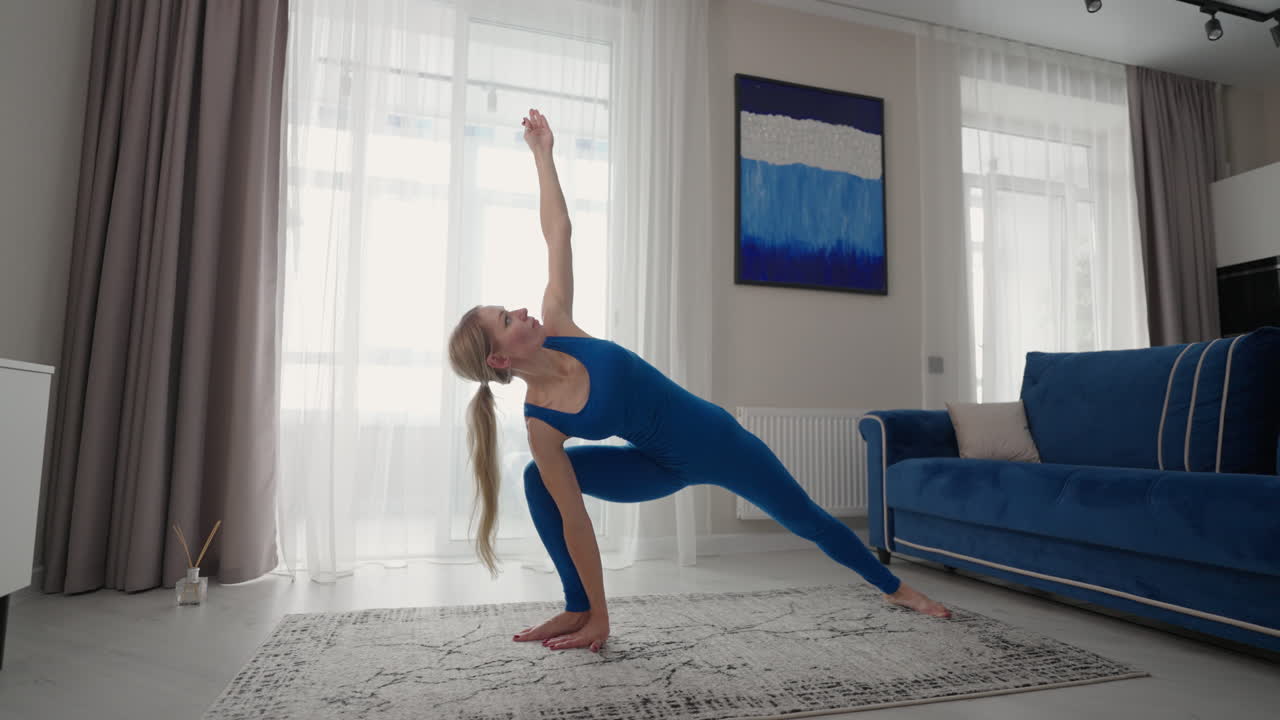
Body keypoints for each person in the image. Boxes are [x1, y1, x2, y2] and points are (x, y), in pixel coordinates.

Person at [447, 109, 951, 655]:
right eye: (507, 319)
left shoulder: (561, 323)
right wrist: (602, 617)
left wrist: (542, 154)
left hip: (717, 442)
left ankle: (895, 588)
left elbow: (558, 232)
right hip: (658, 467)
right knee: (534, 479)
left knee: (805, 518)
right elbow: (576, 523)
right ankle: (579, 609)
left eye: (510, 309)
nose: (521, 310)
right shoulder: (541, 423)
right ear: (500, 360)